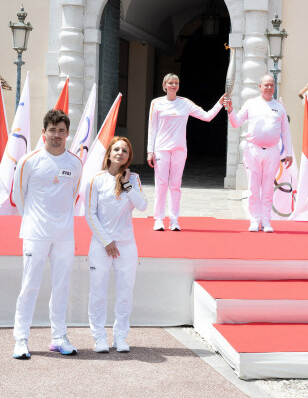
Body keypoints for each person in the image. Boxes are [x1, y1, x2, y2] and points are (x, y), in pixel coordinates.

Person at [12, 109, 83, 359]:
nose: (56, 135)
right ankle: (21, 338)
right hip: (35, 233)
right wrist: (34, 220)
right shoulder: (29, 161)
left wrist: (57, 220)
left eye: (61, 131)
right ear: (44, 133)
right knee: (29, 286)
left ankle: (58, 337)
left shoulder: (75, 163)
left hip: (64, 235)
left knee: (62, 286)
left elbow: (73, 195)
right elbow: (17, 196)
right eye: (52, 130)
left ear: (67, 134)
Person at [85, 137, 147, 353]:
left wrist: (127, 184)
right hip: (101, 245)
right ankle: (99, 337)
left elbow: (142, 206)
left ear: (129, 157)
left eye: (125, 151)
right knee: (98, 292)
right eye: (117, 149)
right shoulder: (96, 180)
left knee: (124, 292)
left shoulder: (134, 179)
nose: (120, 153)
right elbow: (90, 214)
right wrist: (107, 241)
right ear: (109, 153)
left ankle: (120, 336)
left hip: (127, 246)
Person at [146, 74, 225, 232]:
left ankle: (174, 220)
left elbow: (207, 117)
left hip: (179, 150)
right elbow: (152, 128)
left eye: (176, 83)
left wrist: (220, 104)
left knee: (175, 186)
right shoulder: (156, 103)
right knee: (161, 185)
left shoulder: (185, 103)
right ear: (164, 85)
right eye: (170, 83)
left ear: (178, 86)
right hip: (161, 149)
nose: (173, 85)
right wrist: (150, 151)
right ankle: (158, 219)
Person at [225, 74, 293, 233]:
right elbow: (236, 123)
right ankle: (254, 220)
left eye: (271, 85)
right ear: (259, 86)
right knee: (254, 188)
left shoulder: (279, 107)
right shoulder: (251, 104)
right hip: (253, 150)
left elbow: (286, 132)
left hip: (272, 152)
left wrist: (288, 152)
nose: (269, 88)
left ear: (274, 87)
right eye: (266, 85)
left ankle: (266, 220)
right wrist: (230, 110)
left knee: (268, 187)